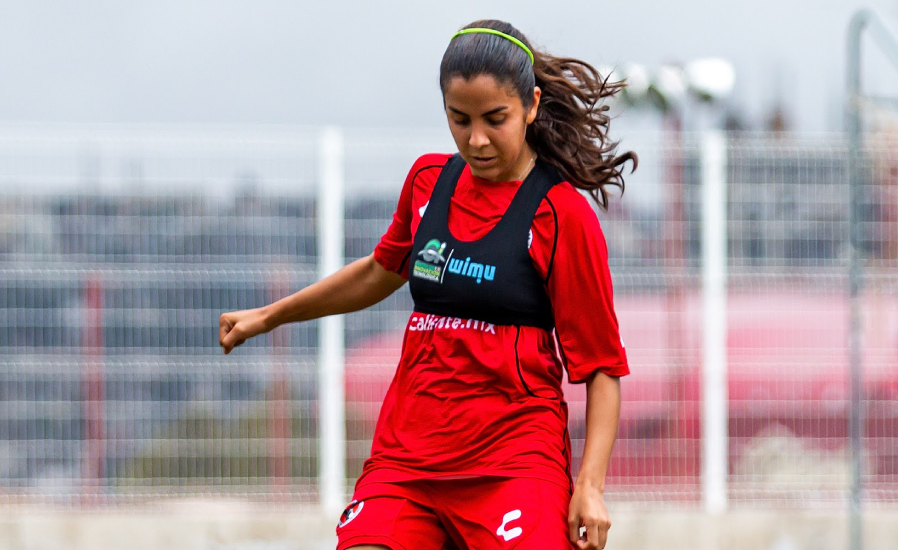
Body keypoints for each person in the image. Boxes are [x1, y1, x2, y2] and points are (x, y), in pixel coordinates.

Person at [219, 19, 636, 550]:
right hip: (407, 458)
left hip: (512, 464)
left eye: (495, 119)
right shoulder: (427, 182)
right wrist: (269, 316)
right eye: (459, 120)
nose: (476, 138)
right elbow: (378, 271)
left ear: (531, 106)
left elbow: (601, 367)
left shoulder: (561, 215)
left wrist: (591, 487)